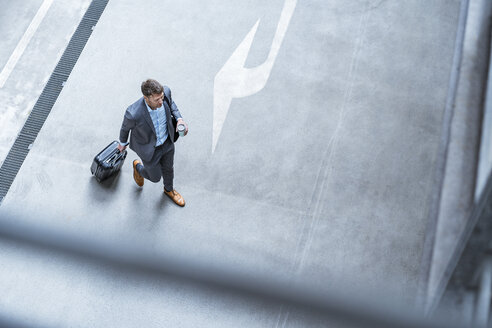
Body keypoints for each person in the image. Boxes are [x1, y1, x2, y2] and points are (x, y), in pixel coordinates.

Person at [117, 79, 188, 206]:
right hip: (149, 148)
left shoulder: (165, 92)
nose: (161, 101)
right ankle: (138, 168)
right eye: (157, 100)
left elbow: (172, 104)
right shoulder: (133, 113)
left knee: (168, 168)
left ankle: (169, 190)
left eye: (161, 97)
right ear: (146, 98)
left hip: (167, 141)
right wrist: (122, 143)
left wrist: (179, 119)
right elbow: (125, 128)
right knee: (155, 178)